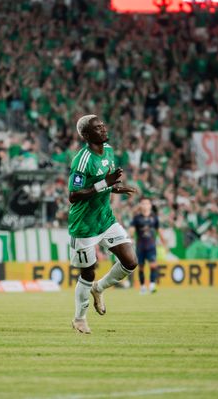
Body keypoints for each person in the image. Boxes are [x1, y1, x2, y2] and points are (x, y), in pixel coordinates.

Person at [68, 115, 138, 334]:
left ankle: (99, 288)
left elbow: (104, 182)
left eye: (103, 125)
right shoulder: (82, 160)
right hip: (84, 226)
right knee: (87, 274)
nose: (103, 128)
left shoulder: (108, 150)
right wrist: (104, 184)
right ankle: (79, 319)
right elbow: (73, 195)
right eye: (97, 127)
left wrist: (114, 188)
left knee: (130, 261)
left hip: (105, 219)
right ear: (86, 135)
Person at [129, 198, 166, 294]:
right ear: (140, 205)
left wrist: (164, 242)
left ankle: (152, 285)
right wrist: (131, 237)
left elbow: (159, 230)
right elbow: (131, 229)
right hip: (140, 246)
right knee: (141, 267)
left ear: (150, 205)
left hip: (151, 246)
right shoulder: (137, 218)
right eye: (143, 203)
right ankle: (142, 286)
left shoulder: (154, 217)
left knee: (153, 265)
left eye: (147, 203)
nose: (145, 205)